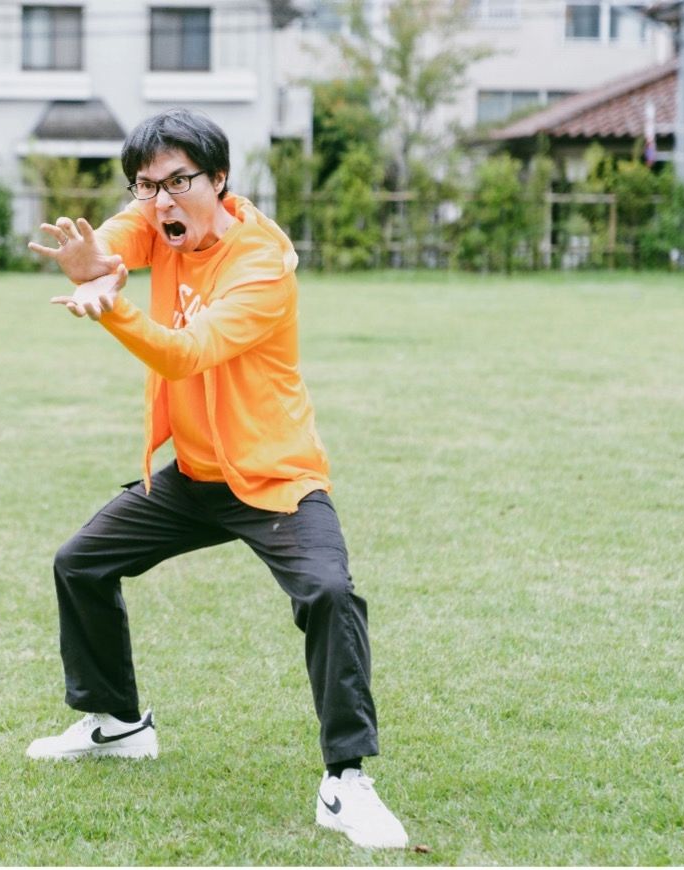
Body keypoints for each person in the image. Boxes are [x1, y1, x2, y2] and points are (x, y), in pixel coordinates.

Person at [25, 108, 408, 850]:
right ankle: (119, 723)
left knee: (328, 594)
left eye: (179, 182)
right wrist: (97, 262)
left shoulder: (261, 263)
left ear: (220, 180)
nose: (161, 200)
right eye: (146, 186)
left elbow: (185, 353)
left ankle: (347, 781)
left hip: (273, 476)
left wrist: (111, 307)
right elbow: (119, 238)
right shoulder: (158, 221)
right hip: (196, 475)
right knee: (80, 562)